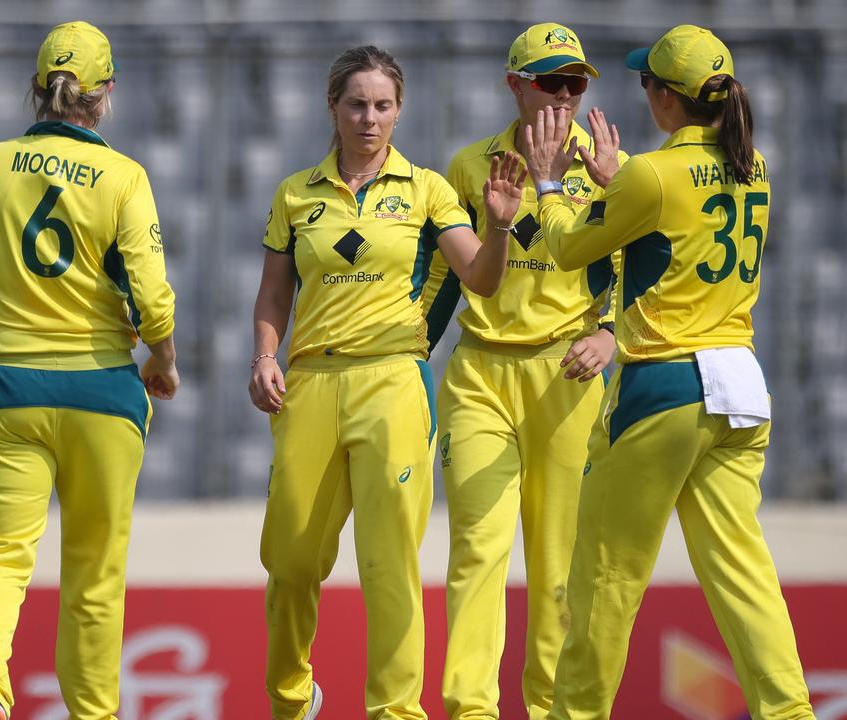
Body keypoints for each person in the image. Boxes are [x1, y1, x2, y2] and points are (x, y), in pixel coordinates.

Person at [523, 24, 816, 720]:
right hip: (740, 385)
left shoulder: (652, 174)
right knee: (744, 576)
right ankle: (791, 712)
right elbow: (669, 226)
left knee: (606, 576)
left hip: (666, 385)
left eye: (647, 81)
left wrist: (548, 183)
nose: (644, 91)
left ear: (666, 98)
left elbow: (567, 249)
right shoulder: (756, 165)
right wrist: (617, 183)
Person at [250, 44, 524, 720]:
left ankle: (396, 711)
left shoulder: (428, 189)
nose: (369, 118)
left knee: (388, 563)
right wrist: (263, 356)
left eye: (382, 105)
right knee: (288, 562)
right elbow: (272, 297)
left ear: (399, 111)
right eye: (356, 104)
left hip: (394, 381)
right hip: (312, 381)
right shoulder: (294, 193)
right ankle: (291, 697)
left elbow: (483, 282)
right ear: (333, 108)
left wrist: (498, 226)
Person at [0, 21, 179, 720]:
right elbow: (152, 296)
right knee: (95, 575)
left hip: (7, 387)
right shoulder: (124, 176)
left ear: (37, 88)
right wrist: (162, 359)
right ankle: (93, 713)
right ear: (105, 93)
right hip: (102, 390)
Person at [430, 23, 626, 720]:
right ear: (514, 84)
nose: (566, 96)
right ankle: (471, 710)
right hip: (481, 373)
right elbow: (441, 286)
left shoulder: (610, 164)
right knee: (478, 551)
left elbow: (647, 274)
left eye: (577, 83)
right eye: (551, 81)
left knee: (558, 567)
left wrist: (610, 333)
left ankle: (550, 711)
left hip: (568, 377)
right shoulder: (467, 166)